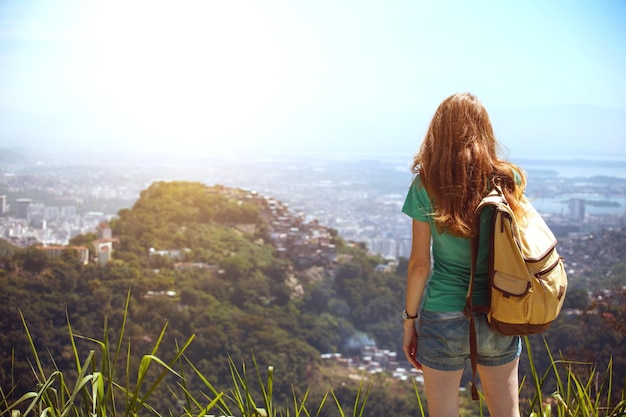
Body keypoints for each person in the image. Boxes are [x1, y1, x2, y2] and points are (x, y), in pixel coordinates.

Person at [401, 92, 526, 417]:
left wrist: (409, 323)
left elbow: (419, 265)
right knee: (506, 411)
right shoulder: (505, 178)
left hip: (442, 313)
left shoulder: (426, 183)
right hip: (497, 310)